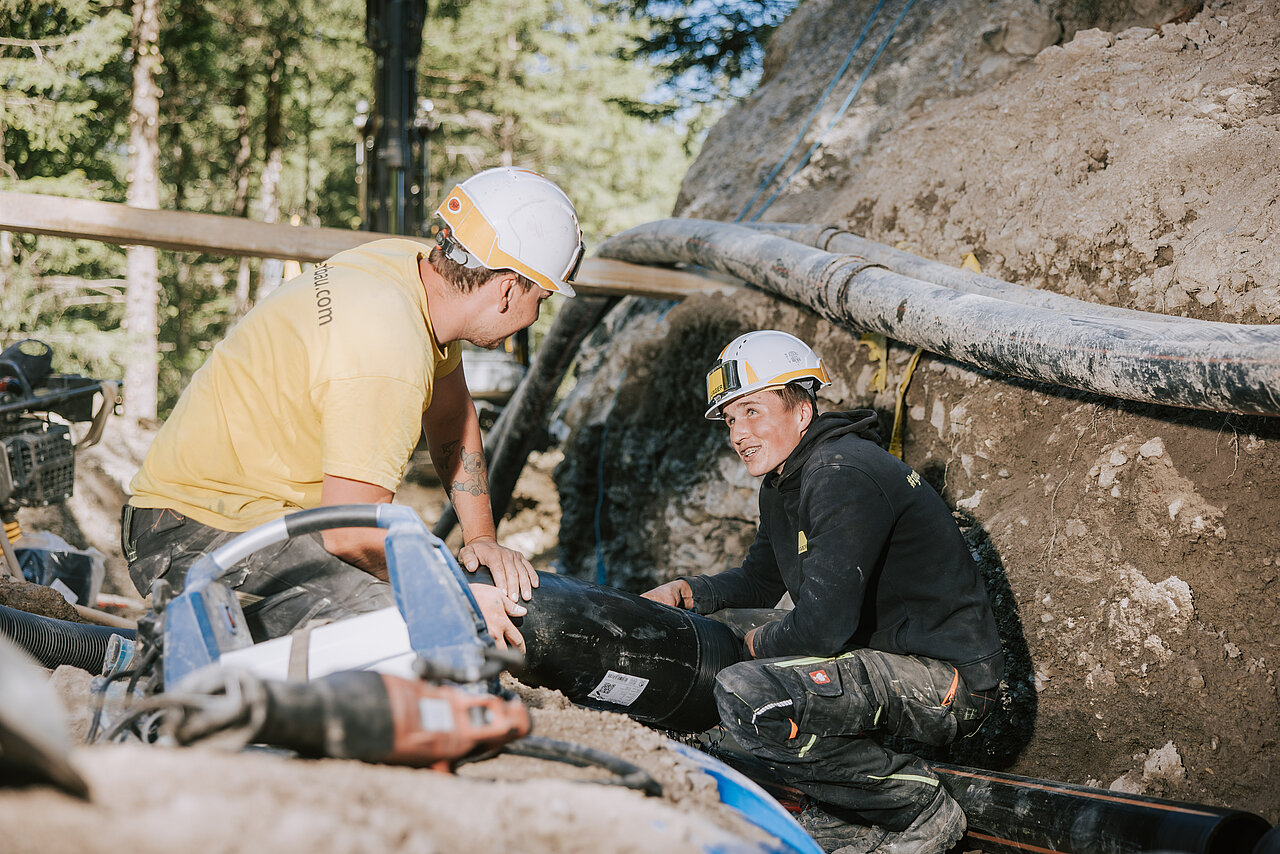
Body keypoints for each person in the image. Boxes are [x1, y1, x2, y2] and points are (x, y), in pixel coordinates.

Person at [121, 166, 584, 652]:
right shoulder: (388, 347)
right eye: (542, 298)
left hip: (247, 518)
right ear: (509, 289)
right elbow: (350, 531)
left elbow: (452, 416)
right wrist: (459, 592)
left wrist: (480, 538)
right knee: (430, 634)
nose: (534, 315)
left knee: (431, 600)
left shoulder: (414, 271)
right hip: (189, 537)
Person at [643, 330, 1005, 854]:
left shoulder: (841, 474)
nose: (738, 433)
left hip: (945, 681)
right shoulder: (786, 480)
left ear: (802, 411)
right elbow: (762, 581)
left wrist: (746, 649)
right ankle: (844, 809)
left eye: (752, 411)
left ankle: (920, 804)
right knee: (715, 653)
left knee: (749, 693)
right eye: (729, 419)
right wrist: (690, 594)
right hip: (886, 660)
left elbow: (820, 628)